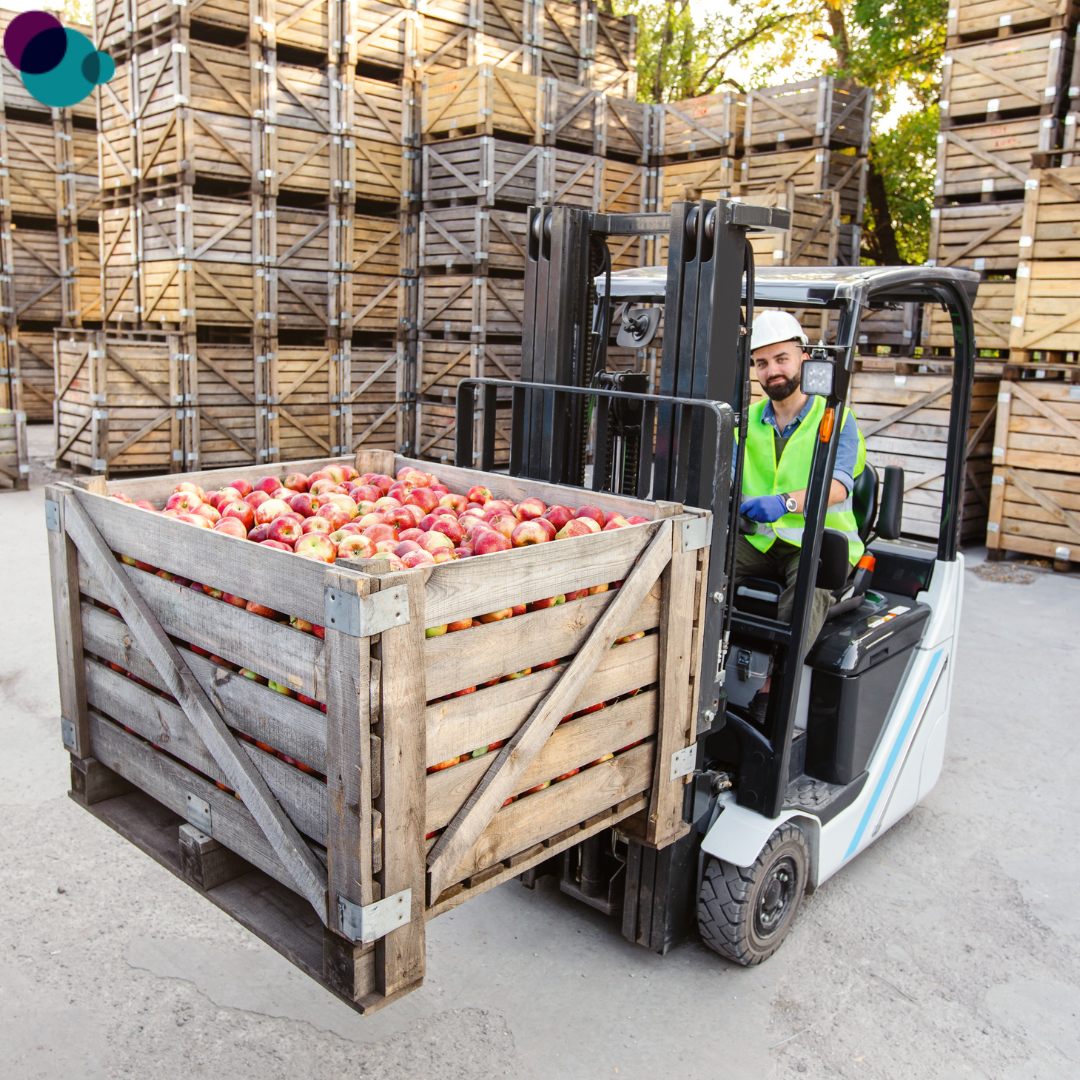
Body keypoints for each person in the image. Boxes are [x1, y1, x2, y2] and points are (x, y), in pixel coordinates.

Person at [736, 310, 865, 721]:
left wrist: (786, 502)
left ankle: (773, 689)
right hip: (757, 538)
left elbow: (839, 484)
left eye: (781, 359)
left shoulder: (836, 418)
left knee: (808, 582)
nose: (772, 370)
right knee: (698, 560)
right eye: (762, 362)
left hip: (818, 541)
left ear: (805, 358)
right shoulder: (746, 422)